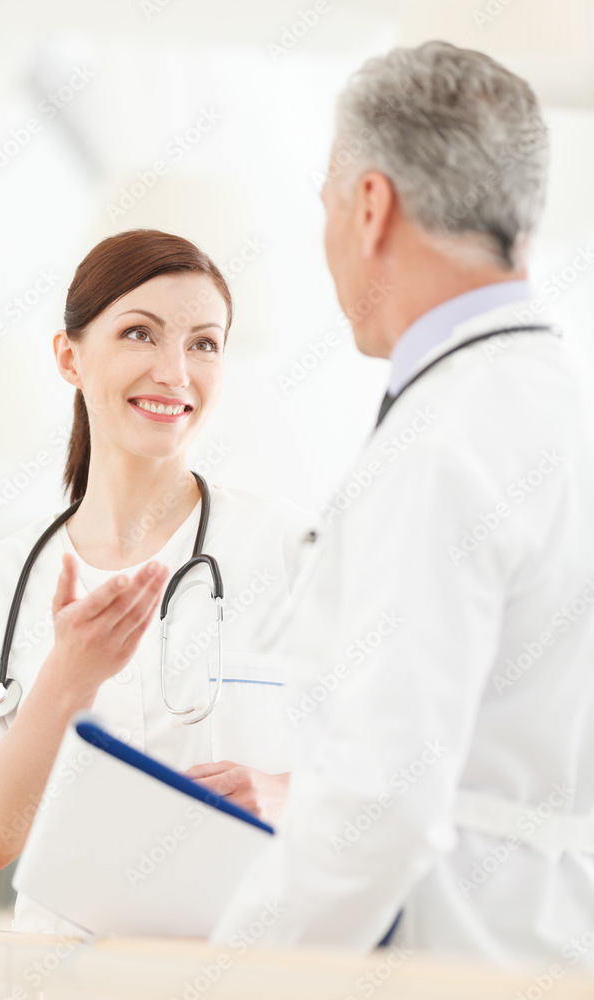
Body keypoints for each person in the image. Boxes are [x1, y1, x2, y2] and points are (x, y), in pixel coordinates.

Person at [210, 41, 594, 970]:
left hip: (454, 954)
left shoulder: (442, 440)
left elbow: (384, 801)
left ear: (371, 206)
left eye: (328, 208)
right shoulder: (558, 406)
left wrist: (219, 976)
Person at [0, 228, 316, 934]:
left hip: (247, 965)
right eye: (140, 334)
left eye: (204, 343)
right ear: (68, 356)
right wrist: (67, 679)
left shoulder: (294, 549)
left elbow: (414, 758)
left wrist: (285, 791)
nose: (175, 371)